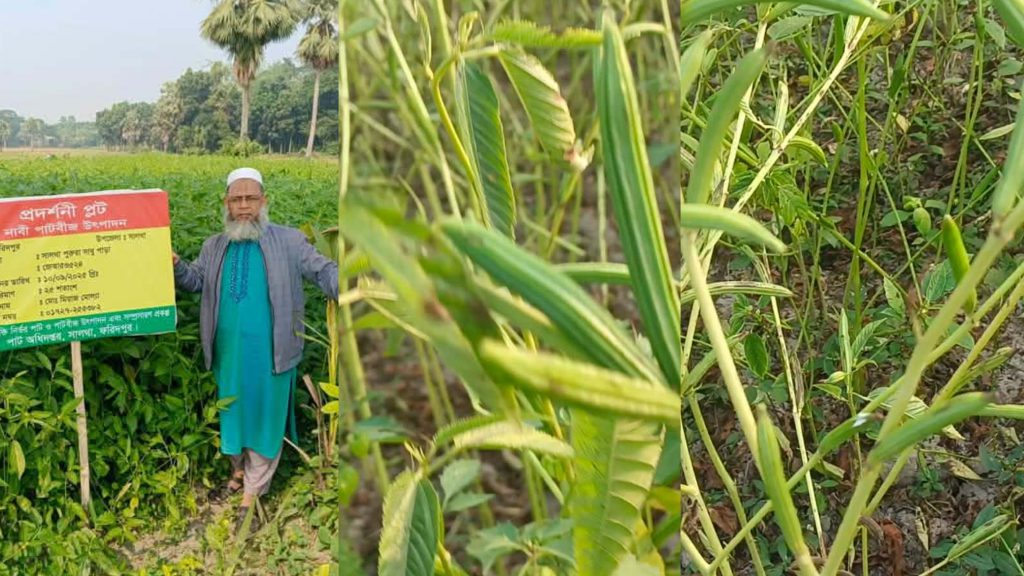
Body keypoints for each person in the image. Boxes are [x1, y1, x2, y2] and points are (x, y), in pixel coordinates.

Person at [171, 167, 338, 534]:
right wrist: (177, 266)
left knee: (264, 416)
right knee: (233, 413)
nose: (244, 206)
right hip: (228, 354)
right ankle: (238, 470)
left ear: (264, 201)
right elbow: (197, 281)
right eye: (237, 199)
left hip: (272, 353)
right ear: (226, 203)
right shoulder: (215, 245)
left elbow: (323, 270)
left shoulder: (290, 241)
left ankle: (252, 493)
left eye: (251, 198)